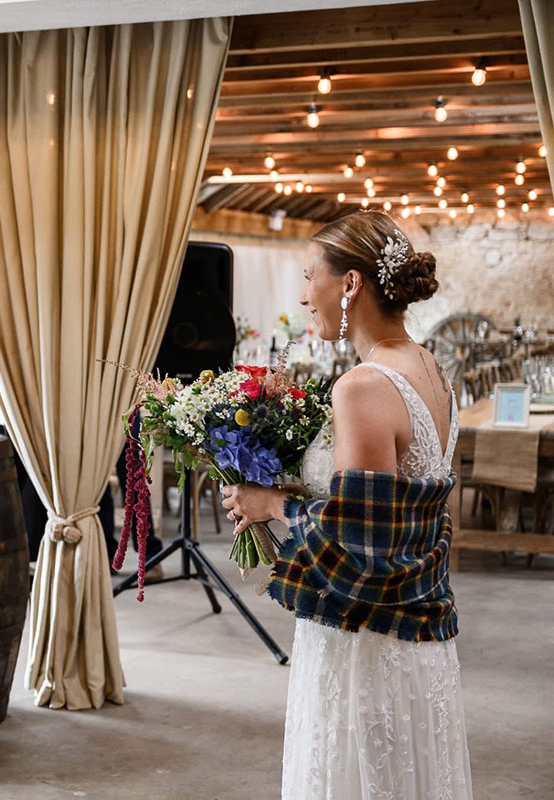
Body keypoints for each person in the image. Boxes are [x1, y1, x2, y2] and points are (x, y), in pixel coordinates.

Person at [220, 211, 472, 799]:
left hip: (364, 643)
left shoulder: (363, 386)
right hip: (422, 637)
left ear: (351, 284)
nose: (305, 295)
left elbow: (358, 544)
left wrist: (269, 503)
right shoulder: (435, 371)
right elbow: (395, 513)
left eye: (311, 276)